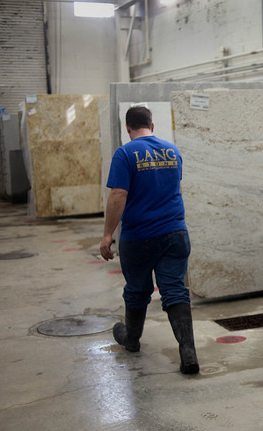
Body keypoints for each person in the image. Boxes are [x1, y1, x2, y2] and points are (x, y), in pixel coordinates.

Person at [100, 106, 199, 375]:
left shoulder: (124, 153)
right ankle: (188, 352)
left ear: (128, 128)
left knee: (137, 290)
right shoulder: (172, 151)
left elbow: (118, 195)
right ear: (152, 126)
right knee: (175, 290)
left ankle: (131, 340)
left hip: (139, 237)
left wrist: (108, 234)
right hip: (175, 235)